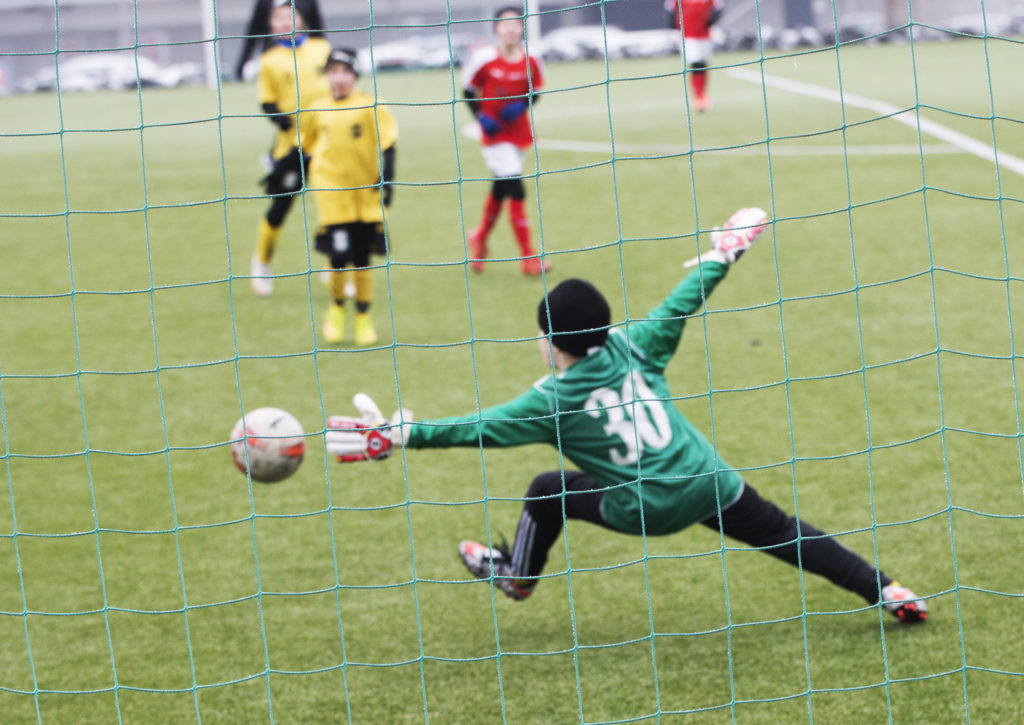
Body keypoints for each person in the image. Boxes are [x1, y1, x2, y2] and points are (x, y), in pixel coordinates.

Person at [325, 207, 929, 624]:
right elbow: (686, 296)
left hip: (647, 508)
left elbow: (475, 429)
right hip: (705, 479)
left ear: (551, 342)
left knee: (547, 490)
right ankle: (889, 590)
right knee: (787, 534)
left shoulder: (551, 403)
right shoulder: (638, 341)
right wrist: (729, 250)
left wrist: (398, 436)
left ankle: (515, 575)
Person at [305, 48, 398, 346]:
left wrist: (387, 179)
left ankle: (362, 317)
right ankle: (336, 309)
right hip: (331, 194)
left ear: (354, 74)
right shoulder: (316, 108)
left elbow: (388, 143)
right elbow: (303, 145)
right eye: (333, 71)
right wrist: (287, 169)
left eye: (345, 71)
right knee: (337, 257)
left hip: (365, 194)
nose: (339, 78)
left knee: (362, 259)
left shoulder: (371, 105)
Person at [250, 0, 331, 297]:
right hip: (292, 147)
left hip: (326, 143)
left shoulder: (323, 49)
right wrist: (286, 124)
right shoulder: (269, 60)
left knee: (331, 202)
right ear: (271, 26)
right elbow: (266, 102)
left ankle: (334, 262)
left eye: (291, 16)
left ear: (304, 21)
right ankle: (262, 261)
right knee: (281, 206)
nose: (285, 22)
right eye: (279, 18)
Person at [461, 6, 550, 276]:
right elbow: (466, 90)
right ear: (496, 28)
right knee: (517, 189)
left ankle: (479, 240)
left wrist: (522, 104)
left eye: (515, 24)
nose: (511, 29)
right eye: (505, 24)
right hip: (495, 134)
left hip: (519, 134)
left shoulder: (532, 59)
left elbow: (537, 92)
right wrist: (480, 117)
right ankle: (528, 258)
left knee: (501, 188)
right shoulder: (484, 58)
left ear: (522, 28)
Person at [666, 0, 723, 112]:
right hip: (687, 36)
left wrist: (710, 21)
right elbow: (670, 10)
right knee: (696, 64)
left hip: (705, 35)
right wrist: (674, 27)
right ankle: (699, 96)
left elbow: (719, 8)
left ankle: (702, 94)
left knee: (703, 64)